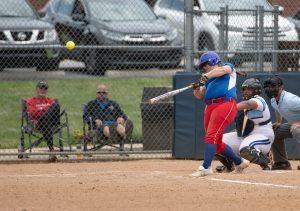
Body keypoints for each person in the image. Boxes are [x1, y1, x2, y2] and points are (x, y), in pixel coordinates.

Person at [190, 51, 249, 177]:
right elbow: (199, 95)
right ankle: (239, 162)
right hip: (210, 107)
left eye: (206, 64)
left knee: (211, 136)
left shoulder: (228, 67)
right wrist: (196, 87)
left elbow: (222, 70)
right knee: (216, 143)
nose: (205, 68)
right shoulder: (208, 79)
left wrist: (206, 76)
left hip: (225, 104)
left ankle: (206, 167)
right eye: (203, 66)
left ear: (213, 61)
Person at [216, 78, 274, 172]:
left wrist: (228, 107)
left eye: (249, 89)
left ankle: (265, 161)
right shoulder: (244, 105)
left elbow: (248, 104)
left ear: (256, 90)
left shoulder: (258, 100)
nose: (246, 92)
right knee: (215, 141)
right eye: (244, 89)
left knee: (245, 149)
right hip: (247, 137)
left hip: (263, 136)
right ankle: (230, 165)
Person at [263, 75, 300, 170]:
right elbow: (277, 109)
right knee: (273, 132)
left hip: (298, 123)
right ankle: (281, 162)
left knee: (297, 131)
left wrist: (298, 123)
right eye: (268, 86)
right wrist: (278, 122)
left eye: (273, 86)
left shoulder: (290, 100)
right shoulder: (273, 100)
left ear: (281, 87)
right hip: (294, 123)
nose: (270, 89)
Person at [84, 84, 129, 151]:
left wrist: (121, 117)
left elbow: (123, 115)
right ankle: (115, 136)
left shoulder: (113, 104)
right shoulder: (91, 104)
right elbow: (85, 116)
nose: (101, 94)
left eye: (104, 92)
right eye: (99, 92)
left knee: (118, 126)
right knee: (105, 127)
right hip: (99, 127)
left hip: (113, 125)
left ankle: (125, 133)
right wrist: (94, 120)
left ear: (107, 94)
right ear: (96, 93)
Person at [26, 81, 60, 162]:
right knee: (46, 121)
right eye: (41, 88)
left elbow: (55, 111)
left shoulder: (50, 100)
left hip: (50, 123)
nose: (43, 90)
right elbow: (32, 113)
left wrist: (41, 111)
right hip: (38, 124)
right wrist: (46, 110)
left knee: (56, 105)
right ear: (37, 89)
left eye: (45, 88)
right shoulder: (31, 100)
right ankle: (51, 150)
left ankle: (51, 151)